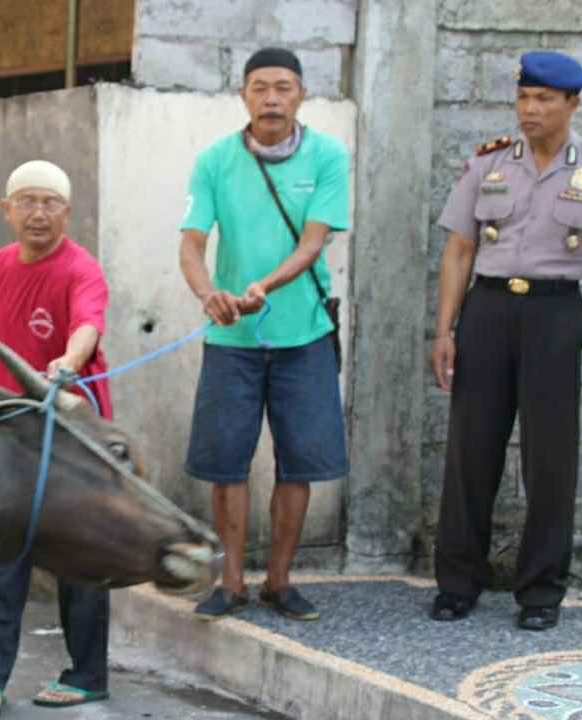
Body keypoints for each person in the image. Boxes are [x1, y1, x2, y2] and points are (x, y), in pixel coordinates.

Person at [429, 52, 582, 632]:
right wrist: (445, 329)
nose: (530, 109)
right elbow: (459, 248)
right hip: (486, 312)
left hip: (555, 314)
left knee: (550, 460)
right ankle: (458, 583)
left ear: (572, 104)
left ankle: (539, 593)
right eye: (524, 97)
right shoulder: (488, 164)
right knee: (470, 450)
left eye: (544, 100)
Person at [179, 47, 349, 623]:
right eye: (259, 87)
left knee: (298, 462)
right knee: (226, 463)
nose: (271, 97)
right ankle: (231, 582)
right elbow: (192, 243)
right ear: (243, 95)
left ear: (301, 95)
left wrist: (263, 286)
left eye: (282, 87)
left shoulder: (327, 157)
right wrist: (209, 295)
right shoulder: (214, 161)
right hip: (232, 341)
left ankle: (279, 581)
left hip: (304, 335)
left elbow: (312, 243)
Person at [0, 160, 113, 717]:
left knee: (79, 557)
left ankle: (87, 674)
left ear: (67, 212)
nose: (38, 213)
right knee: (1, 554)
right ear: (8, 210)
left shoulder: (81, 269)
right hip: (11, 434)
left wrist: (67, 363)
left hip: (73, 432)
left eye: (50, 203)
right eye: (26, 201)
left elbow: (87, 325)